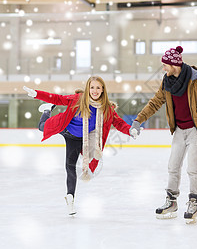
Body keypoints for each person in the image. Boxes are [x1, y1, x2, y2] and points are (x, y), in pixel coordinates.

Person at [24, 76, 137, 216]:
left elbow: (119, 123)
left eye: (98, 88)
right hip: (65, 127)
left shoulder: (106, 109)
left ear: (102, 90)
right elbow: (57, 99)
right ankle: (47, 111)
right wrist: (37, 94)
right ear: (88, 88)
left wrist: (130, 130)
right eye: (92, 87)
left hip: (79, 139)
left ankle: (70, 198)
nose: (94, 91)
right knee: (42, 127)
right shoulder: (78, 99)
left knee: (70, 167)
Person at [130, 46, 197, 224]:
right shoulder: (167, 82)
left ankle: (194, 202)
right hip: (179, 130)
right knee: (173, 166)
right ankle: (171, 202)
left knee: (193, 169)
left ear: (174, 64)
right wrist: (139, 120)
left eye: (165, 65)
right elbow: (155, 102)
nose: (163, 69)